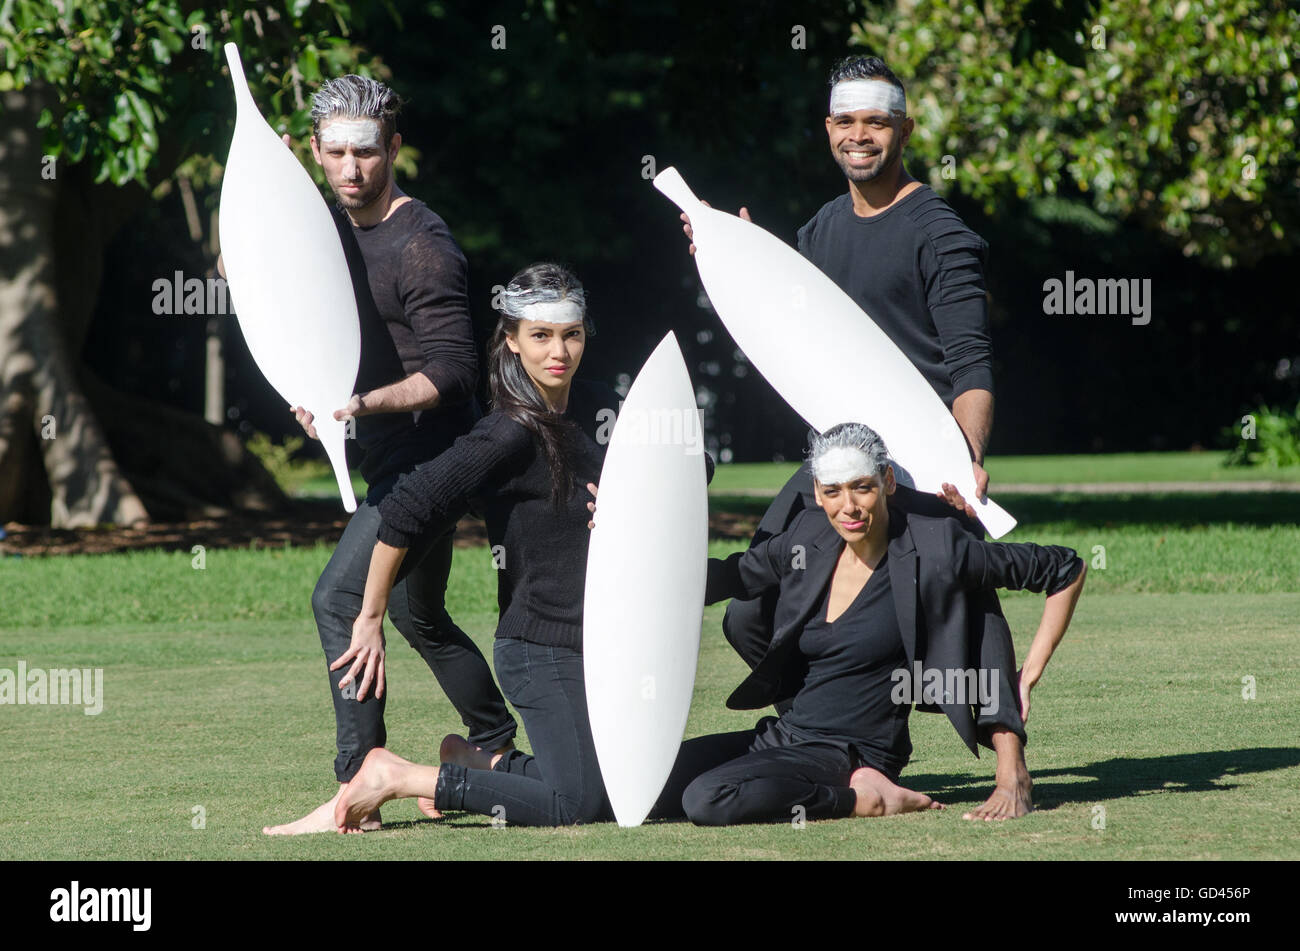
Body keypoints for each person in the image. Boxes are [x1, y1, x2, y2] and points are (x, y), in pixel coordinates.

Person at [336, 422, 1086, 828]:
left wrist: (1031, 670)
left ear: (887, 482)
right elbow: (728, 575)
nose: (850, 505)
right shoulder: (810, 544)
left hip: (849, 753)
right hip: (783, 737)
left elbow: (1063, 567)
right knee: (631, 788)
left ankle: (869, 795)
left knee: (708, 802)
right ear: (816, 494)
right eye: (832, 490)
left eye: (864, 486)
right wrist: (639, 535)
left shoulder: (938, 547)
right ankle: (484, 767)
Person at [681, 55, 1034, 819]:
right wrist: (740, 255)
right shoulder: (820, 229)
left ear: (905, 129)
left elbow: (971, 366)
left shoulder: (940, 233)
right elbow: (794, 327)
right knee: (751, 608)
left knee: (958, 592)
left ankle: (1011, 770)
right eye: (846, 121)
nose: (860, 135)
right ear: (829, 130)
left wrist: (965, 461)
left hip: (917, 463)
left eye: (877, 120)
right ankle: (836, 731)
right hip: (839, 461)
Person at [256, 75, 516, 835]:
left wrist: (365, 403)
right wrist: (266, 196)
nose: (349, 169)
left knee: (340, 600)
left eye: (364, 152)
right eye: (332, 152)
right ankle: (493, 749)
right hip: (382, 450)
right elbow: (256, 281)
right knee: (416, 608)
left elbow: (455, 370)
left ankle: (358, 781)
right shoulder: (324, 225)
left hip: (435, 454)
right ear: (315, 151)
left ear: (393, 149)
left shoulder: (423, 244)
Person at [331, 263, 626, 829]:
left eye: (572, 334)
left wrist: (629, 492)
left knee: (619, 784)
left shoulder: (600, 405)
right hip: (539, 647)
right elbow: (407, 508)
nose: (558, 350)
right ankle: (406, 777)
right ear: (511, 341)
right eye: (540, 336)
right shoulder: (508, 431)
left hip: (604, 642)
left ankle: (482, 759)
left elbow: (695, 466)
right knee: (577, 804)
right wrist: (370, 615)